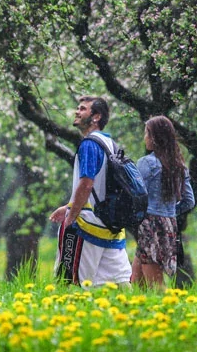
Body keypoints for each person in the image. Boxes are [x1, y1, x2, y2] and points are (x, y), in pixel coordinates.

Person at [50, 96, 132, 287]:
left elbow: (87, 183)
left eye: (83, 109)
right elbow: (102, 187)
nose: (77, 112)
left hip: (86, 225)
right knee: (121, 284)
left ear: (96, 117)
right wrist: (68, 206)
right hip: (110, 226)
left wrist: (71, 216)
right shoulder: (111, 145)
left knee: (70, 283)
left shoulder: (89, 145)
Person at [132, 115, 195, 290]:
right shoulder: (179, 166)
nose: (144, 138)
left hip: (150, 225)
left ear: (154, 137)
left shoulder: (146, 163)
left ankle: (170, 313)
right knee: (137, 282)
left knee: (156, 286)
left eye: (147, 133)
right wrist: (169, 213)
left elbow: (135, 194)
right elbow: (189, 201)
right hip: (168, 226)